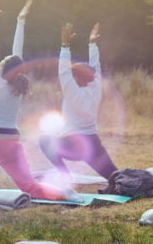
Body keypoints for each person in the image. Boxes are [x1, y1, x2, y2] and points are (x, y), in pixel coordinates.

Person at [0, 0, 71, 201]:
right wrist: (20, 22)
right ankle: (64, 193)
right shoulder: (18, 86)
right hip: (12, 146)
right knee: (29, 186)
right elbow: (17, 53)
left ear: (2, 68)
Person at [39, 22, 118, 182]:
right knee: (116, 177)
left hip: (73, 144)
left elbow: (64, 71)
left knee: (44, 140)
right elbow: (96, 66)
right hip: (93, 145)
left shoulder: (72, 92)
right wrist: (92, 44)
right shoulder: (95, 89)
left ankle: (65, 177)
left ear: (76, 78)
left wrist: (65, 45)